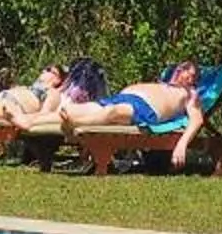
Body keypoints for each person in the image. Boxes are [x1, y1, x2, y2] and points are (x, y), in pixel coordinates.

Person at [52, 63, 210, 167]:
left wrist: (181, 145)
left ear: (193, 80)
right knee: (72, 109)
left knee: (113, 112)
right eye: (182, 69)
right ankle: (30, 121)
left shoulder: (191, 93)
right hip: (122, 99)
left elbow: (197, 120)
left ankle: (73, 125)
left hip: (144, 109)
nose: (183, 74)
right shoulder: (163, 84)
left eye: (191, 74)